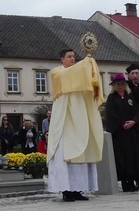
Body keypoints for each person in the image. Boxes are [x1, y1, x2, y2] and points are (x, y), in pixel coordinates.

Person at [47, 48, 104, 202]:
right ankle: (66, 190)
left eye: (74, 57)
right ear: (62, 59)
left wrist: (90, 67)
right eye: (69, 57)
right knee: (66, 153)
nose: (72, 59)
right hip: (65, 120)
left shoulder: (79, 73)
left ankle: (78, 189)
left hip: (79, 118)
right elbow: (68, 75)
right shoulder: (57, 72)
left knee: (81, 151)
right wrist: (86, 62)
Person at [105, 73, 139, 192]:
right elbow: (110, 113)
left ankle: (133, 181)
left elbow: (136, 110)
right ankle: (125, 182)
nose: (120, 86)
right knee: (122, 158)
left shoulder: (130, 97)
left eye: (122, 84)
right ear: (114, 85)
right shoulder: (112, 98)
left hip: (132, 132)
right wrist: (122, 123)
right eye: (118, 84)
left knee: (133, 157)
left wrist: (134, 121)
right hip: (120, 133)